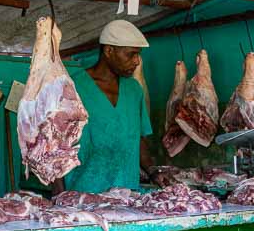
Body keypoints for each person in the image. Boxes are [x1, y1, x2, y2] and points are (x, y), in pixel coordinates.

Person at [52, 20, 172, 195]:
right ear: (109, 51)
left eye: (138, 55)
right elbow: (54, 144)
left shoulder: (133, 90)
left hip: (126, 194)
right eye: (131, 54)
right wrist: (59, 197)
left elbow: (136, 139)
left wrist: (153, 172)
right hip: (83, 196)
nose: (137, 61)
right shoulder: (73, 87)